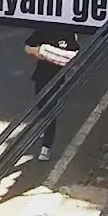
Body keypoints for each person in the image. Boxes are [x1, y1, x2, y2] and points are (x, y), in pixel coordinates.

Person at [25, 27, 80, 157]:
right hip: (41, 75)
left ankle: (46, 146)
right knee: (41, 107)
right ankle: (45, 129)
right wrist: (37, 51)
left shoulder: (68, 31)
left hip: (57, 78)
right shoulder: (44, 29)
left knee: (50, 110)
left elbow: (75, 54)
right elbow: (27, 46)